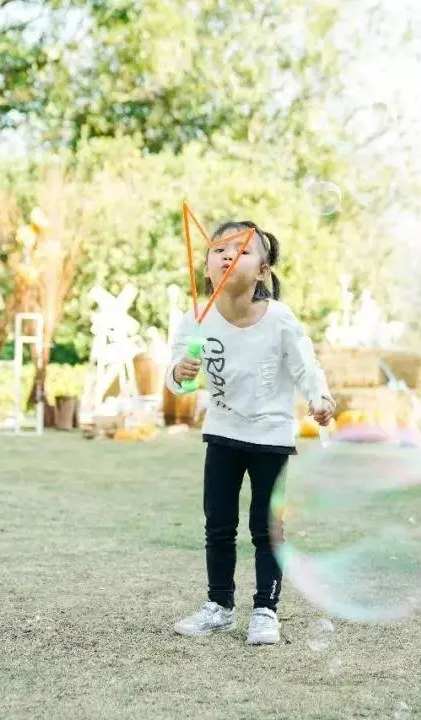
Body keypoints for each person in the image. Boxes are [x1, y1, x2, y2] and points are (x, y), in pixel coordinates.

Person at [167, 220, 335, 645]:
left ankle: (265, 610)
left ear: (262, 270)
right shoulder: (196, 318)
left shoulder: (279, 319)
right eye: (219, 249)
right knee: (218, 525)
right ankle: (219, 606)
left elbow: (304, 366)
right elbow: (177, 382)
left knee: (267, 528)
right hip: (222, 432)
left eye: (241, 250)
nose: (227, 255)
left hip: (272, 437)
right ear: (206, 266)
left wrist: (319, 397)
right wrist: (180, 374)